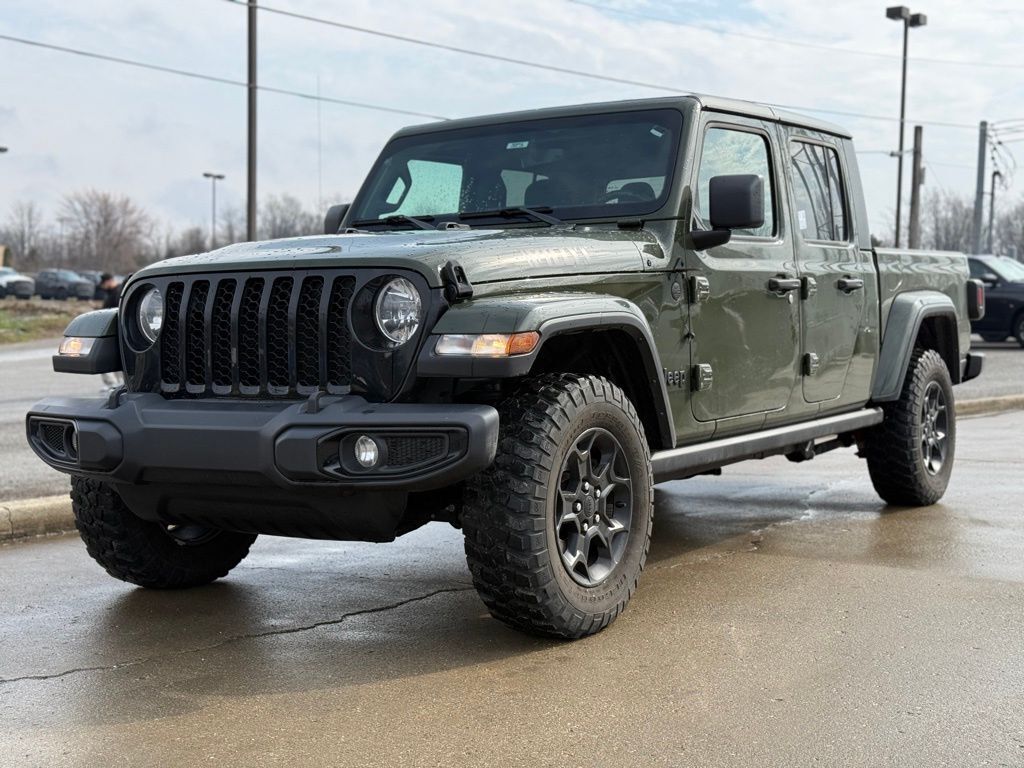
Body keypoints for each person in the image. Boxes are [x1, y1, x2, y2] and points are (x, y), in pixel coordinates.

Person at [98, 273, 125, 392]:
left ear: (109, 281)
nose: (103, 287)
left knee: (106, 356)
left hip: (115, 330)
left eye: (104, 284)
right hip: (111, 329)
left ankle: (114, 383)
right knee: (116, 357)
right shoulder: (111, 293)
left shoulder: (118, 292)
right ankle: (117, 383)